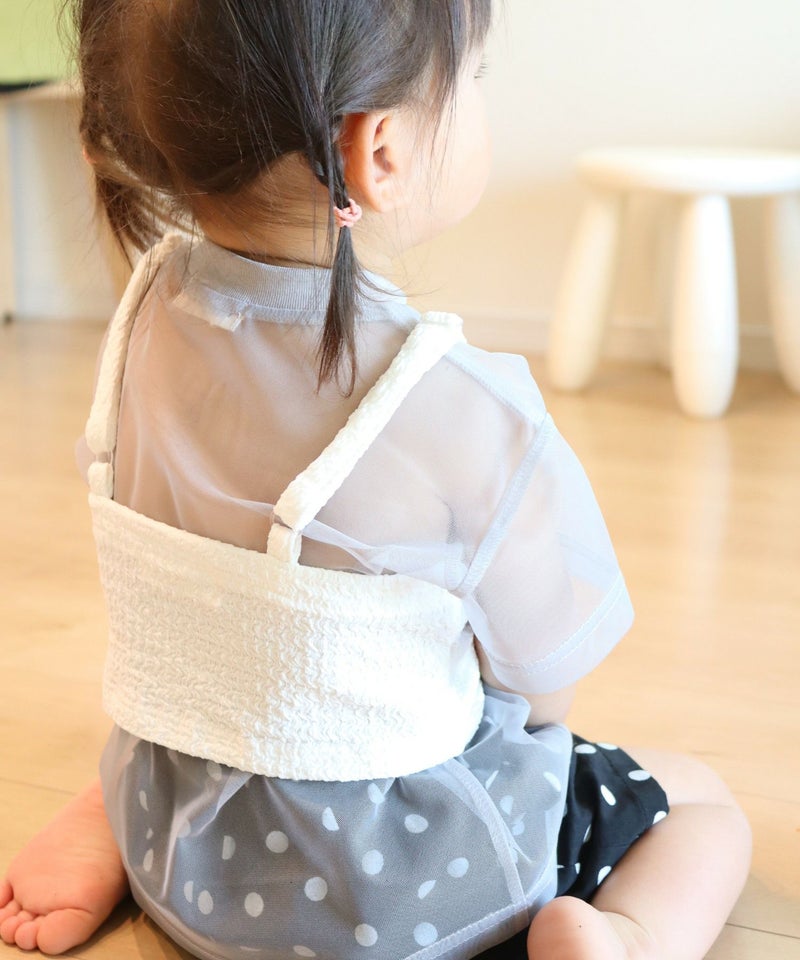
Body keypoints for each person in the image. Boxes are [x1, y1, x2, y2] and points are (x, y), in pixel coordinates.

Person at [0, 1, 751, 958]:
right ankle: (629, 938)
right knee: (703, 806)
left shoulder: (142, 321)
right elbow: (545, 687)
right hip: (395, 896)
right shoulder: (460, 406)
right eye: (473, 78)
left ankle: (110, 818)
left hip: (182, 838)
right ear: (380, 151)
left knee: (205, 685)